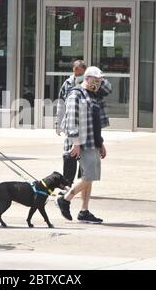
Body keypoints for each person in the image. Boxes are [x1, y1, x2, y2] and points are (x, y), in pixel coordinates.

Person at [56, 66, 107, 224]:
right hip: (80, 142)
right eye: (95, 80)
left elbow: (95, 123)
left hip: (92, 141)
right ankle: (65, 199)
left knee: (89, 177)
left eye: (99, 81)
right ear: (87, 78)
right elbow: (71, 120)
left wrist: (101, 143)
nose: (98, 83)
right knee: (89, 176)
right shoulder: (75, 94)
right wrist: (76, 143)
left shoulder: (93, 95)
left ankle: (84, 211)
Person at [55, 60, 112, 188]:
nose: (77, 75)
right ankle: (68, 185)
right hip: (72, 125)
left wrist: (99, 80)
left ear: (85, 73)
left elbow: (108, 89)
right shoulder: (69, 84)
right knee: (71, 154)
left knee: (85, 160)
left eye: (80, 73)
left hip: (89, 128)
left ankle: (81, 185)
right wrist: (58, 122)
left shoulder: (95, 85)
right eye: (75, 73)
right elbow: (61, 103)